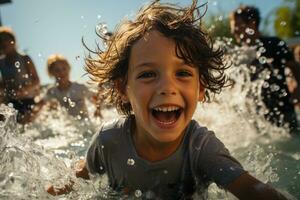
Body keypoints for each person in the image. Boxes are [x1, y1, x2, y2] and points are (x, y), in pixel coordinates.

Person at [47, 1, 288, 199]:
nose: (167, 87)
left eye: (182, 73)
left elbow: (254, 190)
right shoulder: (107, 141)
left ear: (200, 88)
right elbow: (75, 180)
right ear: (123, 88)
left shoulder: (202, 147)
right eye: (147, 74)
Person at [229, 5, 300, 133]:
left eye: (238, 25)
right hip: (257, 120)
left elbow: (295, 67)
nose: (234, 30)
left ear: (252, 23)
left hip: (284, 113)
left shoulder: (274, 44)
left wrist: (298, 90)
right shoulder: (239, 56)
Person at [0, 26, 42, 124]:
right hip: (10, 101)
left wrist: (25, 90)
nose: (2, 43)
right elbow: (2, 84)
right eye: (0, 41)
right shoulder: (1, 63)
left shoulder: (24, 58)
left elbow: (36, 80)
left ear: (13, 41)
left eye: (5, 39)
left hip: (28, 99)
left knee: (25, 121)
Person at [44, 54, 101, 120]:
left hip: (85, 123)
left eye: (64, 68)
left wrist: (98, 110)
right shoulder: (52, 92)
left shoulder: (79, 87)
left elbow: (96, 99)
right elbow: (45, 110)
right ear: (51, 73)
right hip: (66, 126)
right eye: (57, 70)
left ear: (69, 69)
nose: (61, 72)